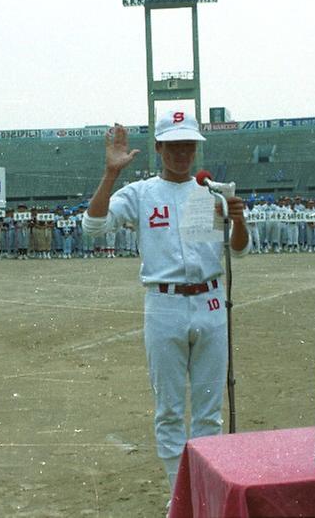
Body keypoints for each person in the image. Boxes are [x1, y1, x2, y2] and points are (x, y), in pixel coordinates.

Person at [82, 110, 250, 495]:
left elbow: (238, 252)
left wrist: (238, 220)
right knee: (170, 411)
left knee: (209, 411)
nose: (182, 153)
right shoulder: (140, 195)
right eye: (173, 146)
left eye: (188, 145)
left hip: (210, 302)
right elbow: (92, 226)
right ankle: (181, 498)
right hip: (164, 304)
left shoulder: (211, 192)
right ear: (158, 148)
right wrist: (111, 173)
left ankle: (207, 493)